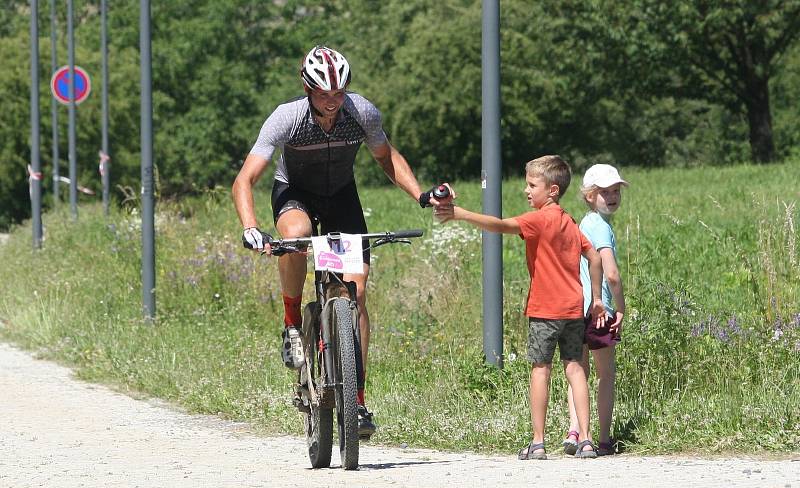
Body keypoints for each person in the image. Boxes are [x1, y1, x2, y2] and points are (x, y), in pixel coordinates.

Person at [232, 45, 447, 439]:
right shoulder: (287, 118)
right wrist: (250, 226)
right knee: (295, 237)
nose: (332, 103)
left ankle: (359, 400)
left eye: (338, 93)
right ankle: (292, 320)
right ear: (307, 88)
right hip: (294, 193)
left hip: (341, 197)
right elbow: (244, 179)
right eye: (323, 94)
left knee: (357, 291)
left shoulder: (361, 112)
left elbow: (386, 157)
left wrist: (419, 194)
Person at [435, 155, 606, 459]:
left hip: (544, 310)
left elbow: (501, 225)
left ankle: (538, 442)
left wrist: (459, 214)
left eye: (532, 185)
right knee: (576, 369)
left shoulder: (539, 219)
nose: (526, 191)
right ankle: (587, 439)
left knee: (541, 369)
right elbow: (593, 257)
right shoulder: (569, 221)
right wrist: (596, 299)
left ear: (552, 190)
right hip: (573, 309)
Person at [562, 164, 628, 457]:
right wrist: (621, 308)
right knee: (606, 375)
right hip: (599, 311)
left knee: (578, 371)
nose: (612, 197)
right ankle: (602, 438)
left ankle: (575, 430)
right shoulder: (602, 228)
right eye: (604, 192)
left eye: (615, 191)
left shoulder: (582, 224)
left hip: (576, 307)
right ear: (589, 196)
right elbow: (611, 273)